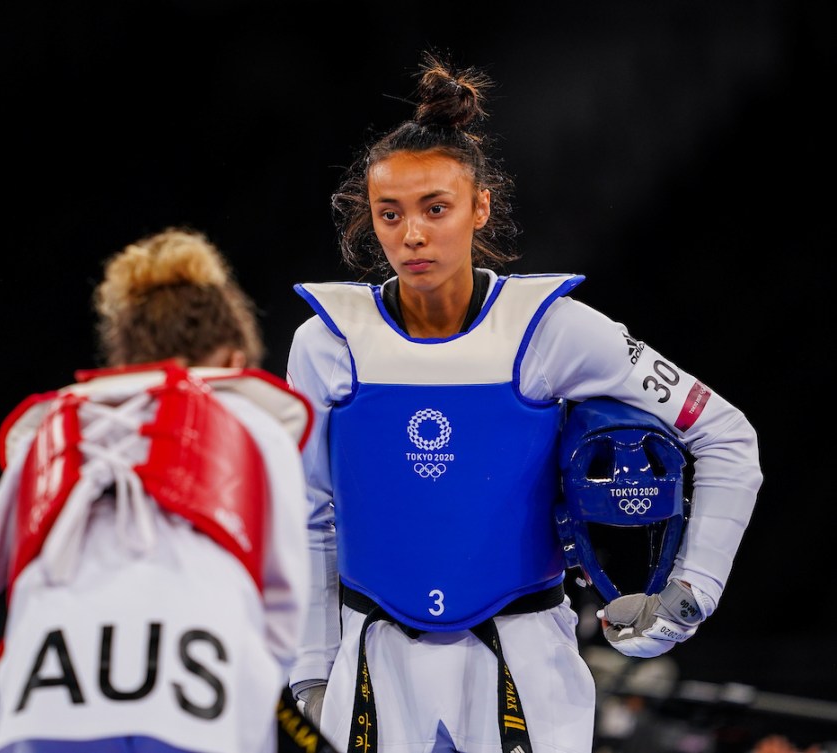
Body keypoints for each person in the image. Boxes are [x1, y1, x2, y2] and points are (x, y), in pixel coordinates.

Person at [284, 51, 763, 753]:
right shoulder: (324, 343)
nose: (411, 234)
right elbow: (309, 514)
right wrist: (309, 668)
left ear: (479, 207)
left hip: (524, 658)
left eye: (435, 208)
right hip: (370, 663)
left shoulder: (553, 330)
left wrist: (690, 593)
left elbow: (726, 433)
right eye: (390, 214)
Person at [0, 227, 320, 753]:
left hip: (43, 716)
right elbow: (284, 624)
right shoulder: (253, 424)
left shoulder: (55, 438)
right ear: (231, 363)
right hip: (201, 711)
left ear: (123, 363)